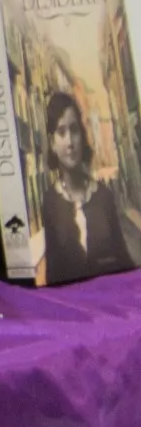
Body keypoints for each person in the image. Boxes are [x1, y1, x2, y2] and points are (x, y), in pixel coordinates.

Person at [41, 92, 133, 284]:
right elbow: (53, 274)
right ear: (52, 143)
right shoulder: (50, 203)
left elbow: (125, 264)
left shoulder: (104, 197)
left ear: (82, 136)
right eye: (61, 132)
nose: (69, 142)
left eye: (74, 130)